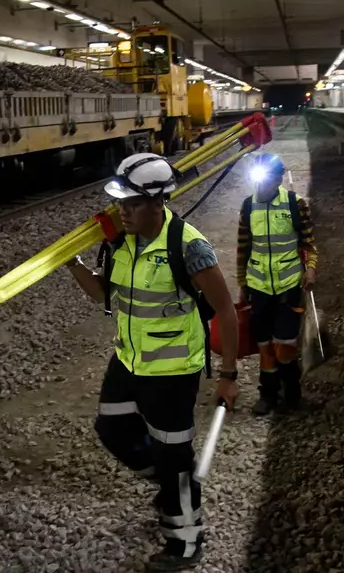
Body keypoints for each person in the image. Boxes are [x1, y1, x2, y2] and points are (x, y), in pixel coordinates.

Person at [66, 152, 240, 571]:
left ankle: (185, 540)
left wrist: (229, 376)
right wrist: (68, 261)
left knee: (175, 458)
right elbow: (103, 296)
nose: (122, 211)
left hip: (172, 372)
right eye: (119, 202)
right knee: (112, 429)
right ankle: (168, 485)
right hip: (128, 362)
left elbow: (227, 311)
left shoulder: (189, 247)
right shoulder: (121, 244)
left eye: (133, 203)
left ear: (159, 201)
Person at [235, 151, 319, 416]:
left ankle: (292, 396)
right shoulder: (248, 207)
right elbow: (243, 250)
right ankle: (268, 394)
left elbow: (310, 245)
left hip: (288, 287)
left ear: (279, 178)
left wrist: (312, 270)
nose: (263, 184)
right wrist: (242, 284)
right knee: (264, 346)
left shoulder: (296, 204)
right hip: (258, 289)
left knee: (285, 345)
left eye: (269, 178)